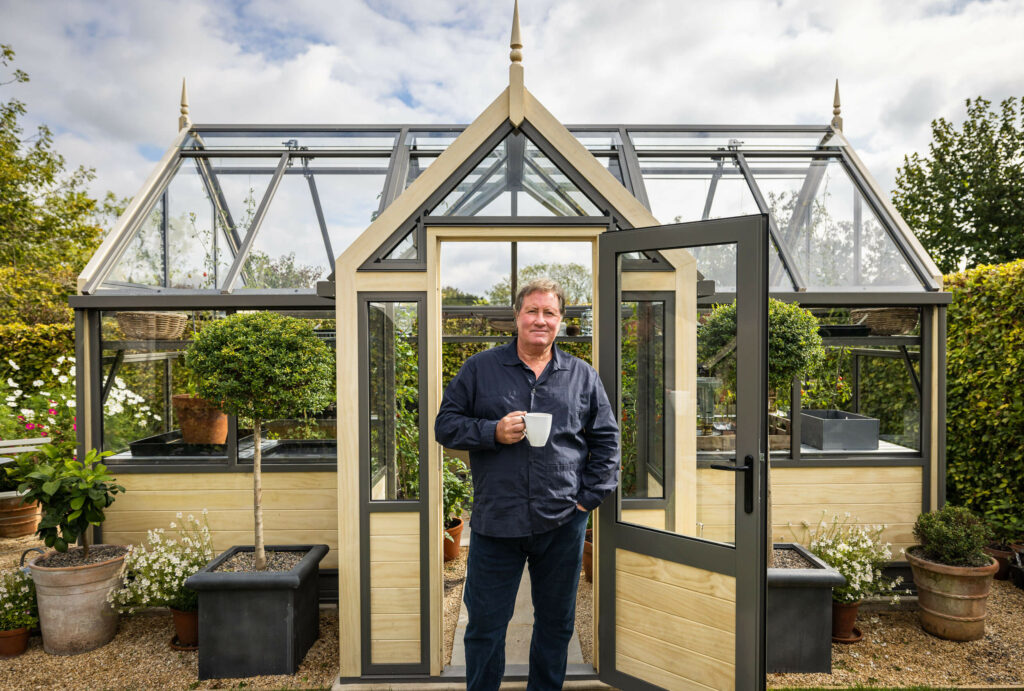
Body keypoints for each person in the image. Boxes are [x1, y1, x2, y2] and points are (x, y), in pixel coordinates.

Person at [434, 278, 619, 691]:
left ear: (561, 321)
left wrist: (587, 501)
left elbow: (607, 440)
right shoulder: (480, 369)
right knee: (484, 627)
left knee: (556, 624)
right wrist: (491, 432)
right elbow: (444, 426)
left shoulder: (582, 376)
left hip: (561, 524)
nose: (540, 319)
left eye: (549, 313)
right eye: (532, 311)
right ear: (516, 317)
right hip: (496, 522)